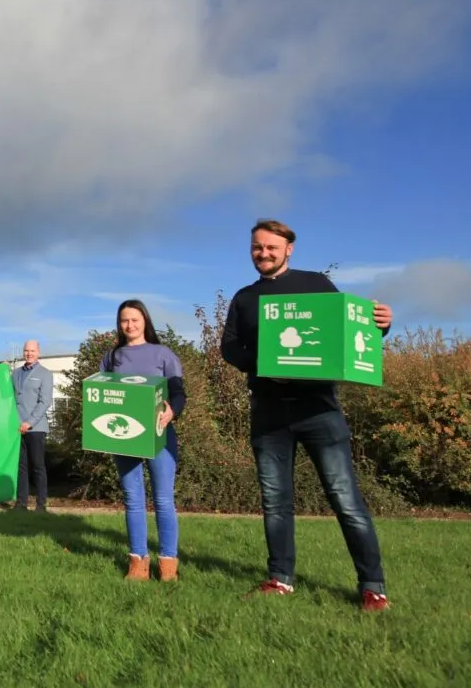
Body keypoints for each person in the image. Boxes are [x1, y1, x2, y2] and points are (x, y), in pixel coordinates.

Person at [221, 219, 394, 611]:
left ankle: (373, 587)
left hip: (320, 411)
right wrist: (267, 362)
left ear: (289, 249)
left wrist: (381, 324)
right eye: (256, 247)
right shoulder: (244, 298)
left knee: (345, 499)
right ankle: (280, 579)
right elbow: (230, 348)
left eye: (270, 247)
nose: (262, 253)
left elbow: (348, 332)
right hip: (268, 414)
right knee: (275, 503)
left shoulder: (316, 284)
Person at [102, 301, 186, 581]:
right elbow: (102, 395)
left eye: (135, 320)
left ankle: (168, 564)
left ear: (145, 321)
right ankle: (138, 562)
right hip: (124, 437)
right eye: (124, 320)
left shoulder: (163, 354)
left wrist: (173, 411)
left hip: (159, 435)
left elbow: (177, 392)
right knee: (133, 500)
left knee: (163, 500)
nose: (130, 325)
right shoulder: (112, 357)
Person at [13, 340, 53, 513]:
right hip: (16, 428)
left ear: (38, 352)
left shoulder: (45, 374)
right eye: (26, 350)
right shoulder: (15, 373)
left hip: (35, 428)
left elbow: (45, 402)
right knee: (21, 467)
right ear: (23, 352)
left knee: (37, 466)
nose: (29, 353)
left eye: (32, 351)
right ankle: (21, 503)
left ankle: (40, 505)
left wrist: (29, 422)